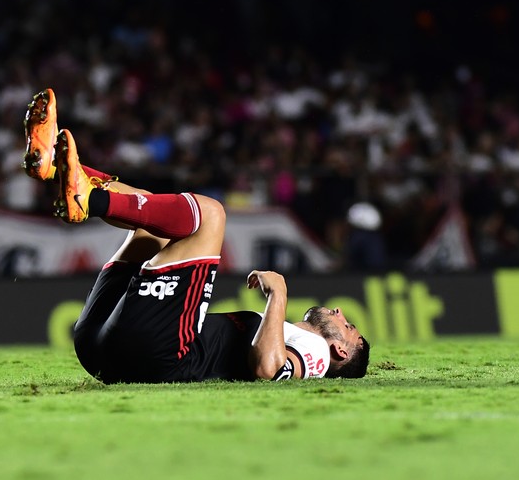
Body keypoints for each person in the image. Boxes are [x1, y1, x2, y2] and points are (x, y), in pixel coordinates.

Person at [23, 88, 370, 383]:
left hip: (158, 355)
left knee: (210, 214)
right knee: (154, 219)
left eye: (349, 325)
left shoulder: (318, 354)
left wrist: (278, 293)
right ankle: (55, 166)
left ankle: (89, 199)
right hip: (106, 350)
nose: (340, 312)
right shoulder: (290, 335)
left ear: (341, 349)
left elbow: (269, 370)